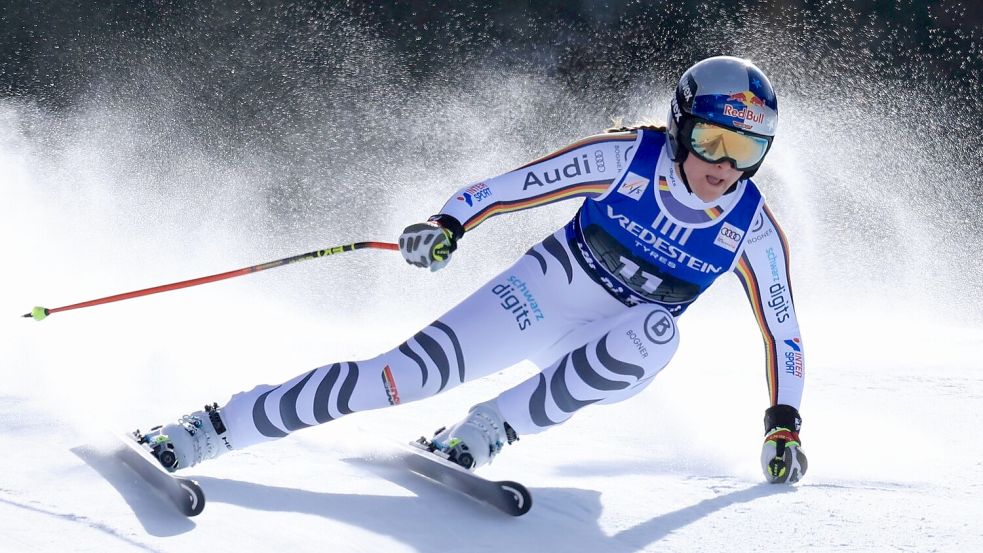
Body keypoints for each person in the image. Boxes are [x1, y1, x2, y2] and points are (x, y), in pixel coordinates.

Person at [142, 55, 808, 485]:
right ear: (680, 126)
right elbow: (505, 188)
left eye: (746, 149)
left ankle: (488, 428)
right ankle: (207, 429)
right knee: (395, 378)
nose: (725, 165)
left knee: (659, 332)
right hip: (542, 293)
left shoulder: (752, 230)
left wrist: (782, 424)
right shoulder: (625, 157)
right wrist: (446, 226)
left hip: (608, 348)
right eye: (711, 140)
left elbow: (783, 335)